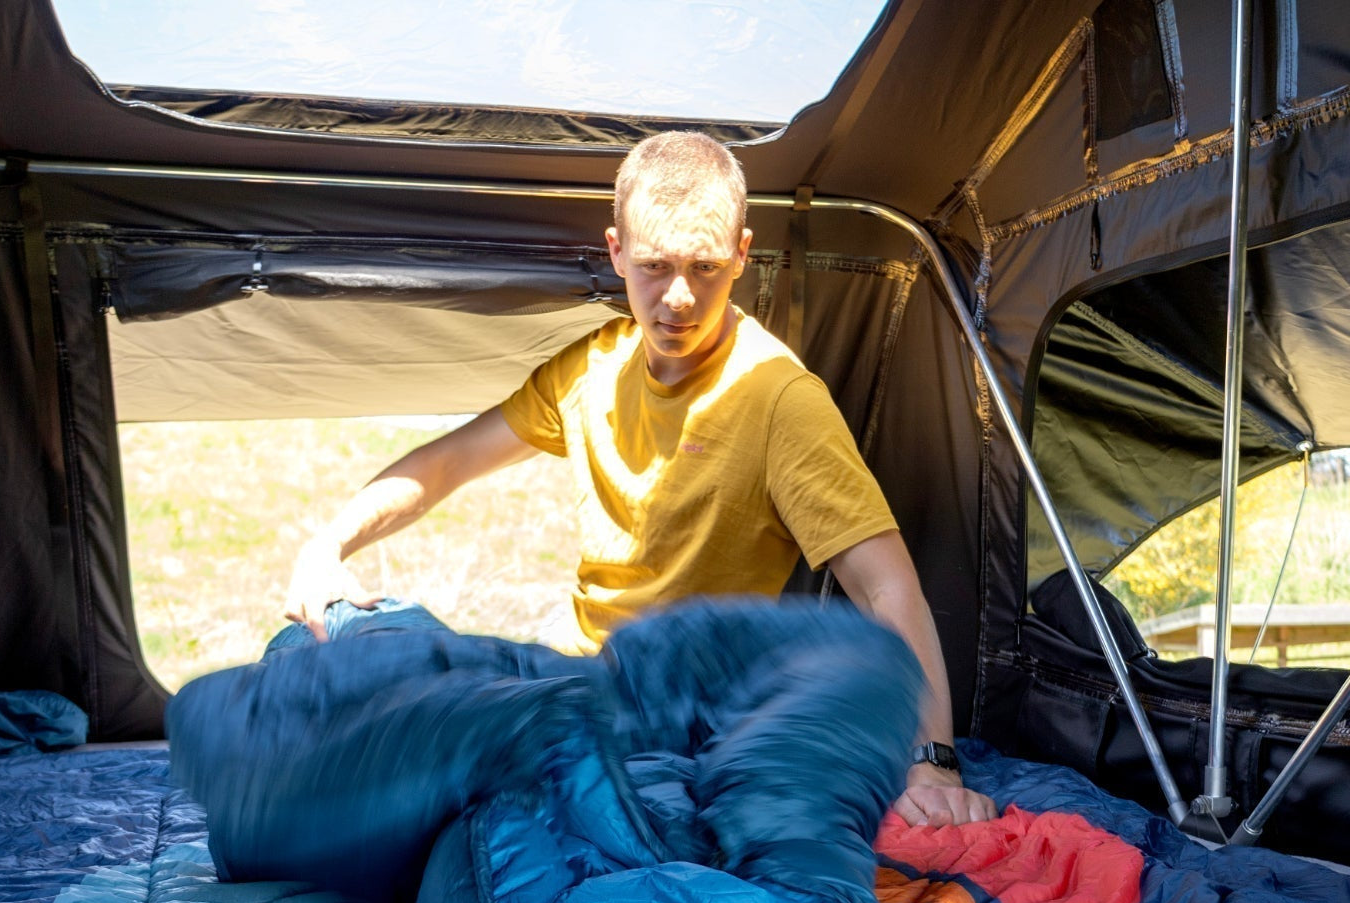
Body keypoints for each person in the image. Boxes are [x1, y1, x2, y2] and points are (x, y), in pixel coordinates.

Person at [284, 131, 996, 828]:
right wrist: (328, 545)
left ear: (743, 255)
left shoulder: (779, 399)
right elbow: (447, 463)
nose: (679, 297)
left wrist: (932, 761)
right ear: (617, 252)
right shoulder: (591, 369)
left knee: (441, 795)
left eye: (706, 267)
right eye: (655, 267)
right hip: (565, 681)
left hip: (672, 718)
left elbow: (885, 585)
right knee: (325, 651)